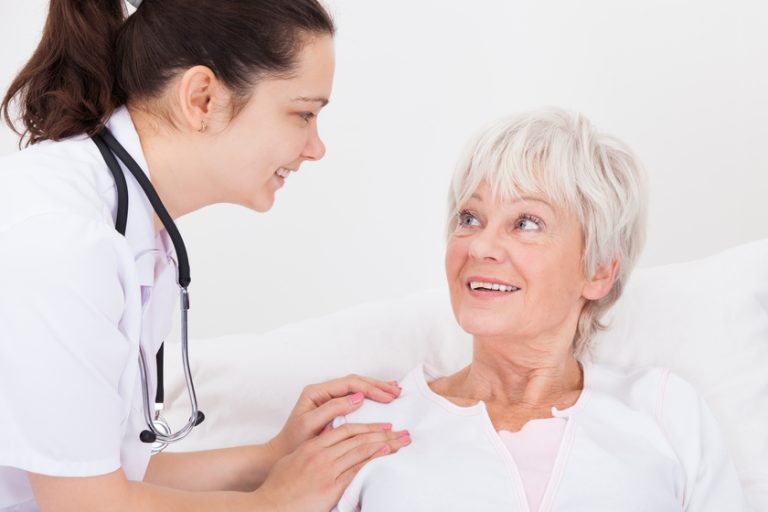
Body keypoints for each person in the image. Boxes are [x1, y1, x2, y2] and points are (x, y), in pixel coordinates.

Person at [0, 1, 411, 510]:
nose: (315, 148)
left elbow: (110, 469)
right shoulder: (61, 240)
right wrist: (274, 503)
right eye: (303, 114)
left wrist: (273, 457)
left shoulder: (131, 230)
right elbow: (86, 503)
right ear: (202, 98)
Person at [330, 109, 747, 511]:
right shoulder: (368, 425)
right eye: (470, 218)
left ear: (599, 270)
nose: (480, 246)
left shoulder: (664, 412)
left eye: (526, 222)